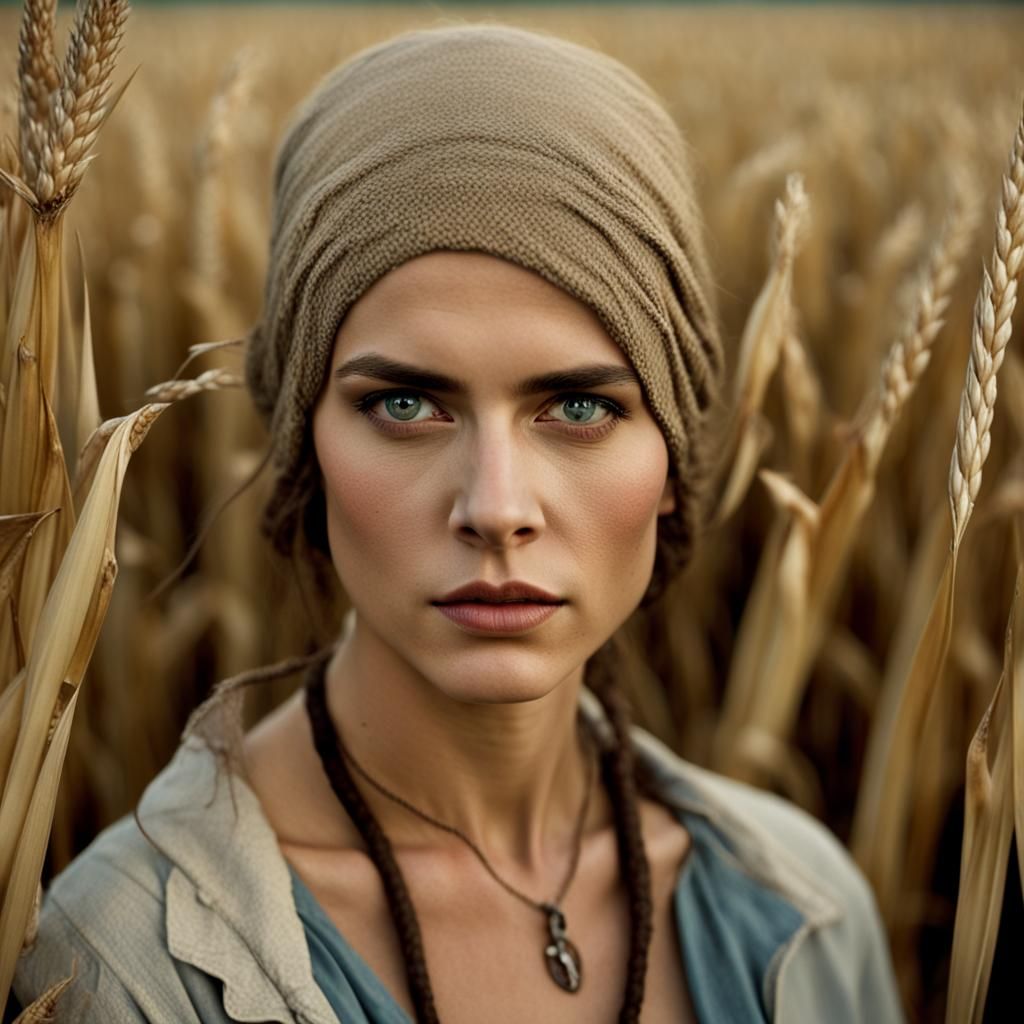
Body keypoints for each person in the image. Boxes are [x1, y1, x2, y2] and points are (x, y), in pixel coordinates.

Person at [10, 21, 904, 1024]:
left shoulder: (807, 914)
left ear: (670, 459)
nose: (496, 508)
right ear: (306, 445)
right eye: (405, 405)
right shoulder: (119, 968)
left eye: (579, 406)